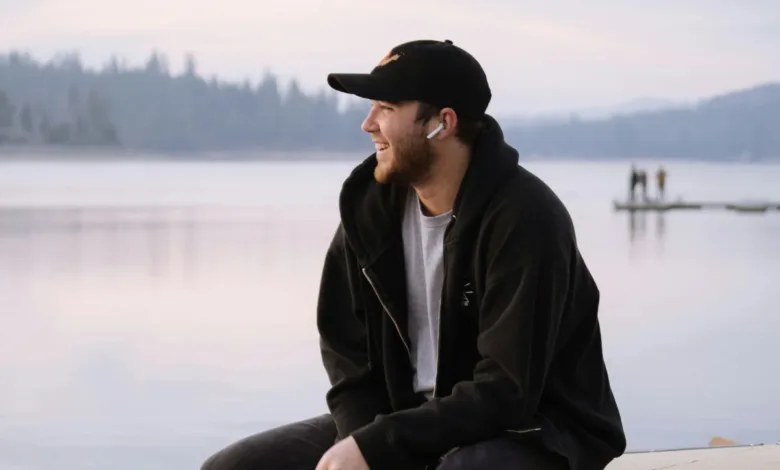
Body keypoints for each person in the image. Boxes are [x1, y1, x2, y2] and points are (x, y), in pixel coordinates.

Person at [200, 39, 626, 470]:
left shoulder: (525, 218)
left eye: (385, 108)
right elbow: (349, 361)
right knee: (235, 466)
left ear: (443, 123)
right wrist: (362, 441)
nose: (368, 124)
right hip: (408, 417)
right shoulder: (369, 212)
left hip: (536, 430)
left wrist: (382, 445)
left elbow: (506, 392)